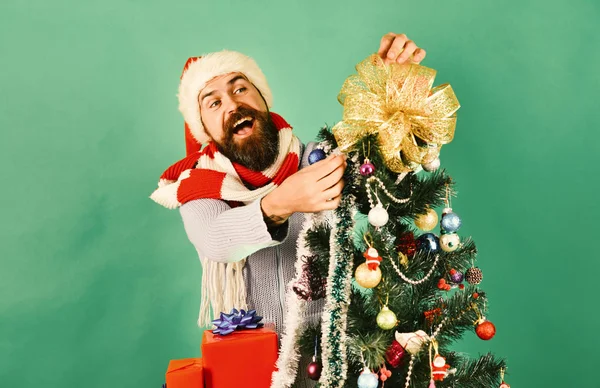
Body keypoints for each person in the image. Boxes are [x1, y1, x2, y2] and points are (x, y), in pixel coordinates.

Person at [150, 32, 426, 387]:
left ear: (262, 98)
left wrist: (386, 90)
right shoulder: (199, 183)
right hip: (251, 362)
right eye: (213, 102)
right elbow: (215, 240)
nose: (233, 105)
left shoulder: (315, 158)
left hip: (335, 354)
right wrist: (282, 201)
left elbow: (377, 166)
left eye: (239, 89)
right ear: (203, 127)